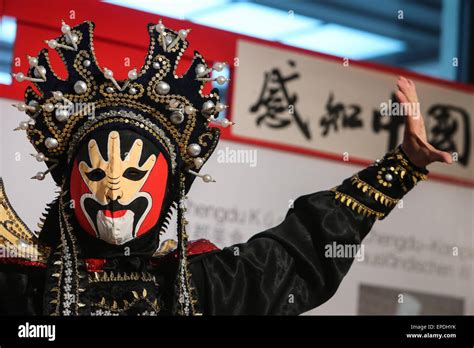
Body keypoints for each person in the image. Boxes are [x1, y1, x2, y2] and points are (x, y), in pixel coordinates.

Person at [0, 20, 451, 316]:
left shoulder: (205, 285)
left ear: (171, 190)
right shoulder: (20, 286)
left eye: (136, 173)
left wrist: (401, 167)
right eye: (96, 174)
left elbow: (301, 252)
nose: (114, 187)